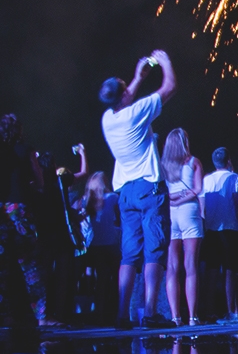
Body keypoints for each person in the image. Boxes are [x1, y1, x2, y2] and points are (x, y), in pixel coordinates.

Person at [99, 50, 176, 329]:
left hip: (126, 192)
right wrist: (164, 62)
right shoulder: (136, 113)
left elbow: (122, 98)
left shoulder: (108, 119)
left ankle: (123, 315)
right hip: (148, 187)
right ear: (124, 95)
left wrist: (137, 78)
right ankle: (151, 313)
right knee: (154, 250)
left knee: (129, 254)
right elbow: (169, 88)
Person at [0, 114, 54, 326]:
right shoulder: (26, 149)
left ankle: (5, 316)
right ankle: (41, 317)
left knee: (3, 266)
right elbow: (39, 180)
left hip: (2, 209)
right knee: (30, 265)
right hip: (20, 208)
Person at [161, 128, 204, 326]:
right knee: (191, 265)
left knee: (172, 267)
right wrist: (183, 197)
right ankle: (193, 317)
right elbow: (198, 189)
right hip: (189, 212)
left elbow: (163, 193)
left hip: (170, 214)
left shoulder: (163, 166)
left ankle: (175, 317)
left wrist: (174, 199)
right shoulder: (193, 161)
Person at [201, 147, 238, 322]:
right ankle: (231, 310)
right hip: (230, 227)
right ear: (229, 160)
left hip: (211, 229)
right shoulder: (234, 178)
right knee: (230, 271)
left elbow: (202, 207)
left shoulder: (206, 180)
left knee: (211, 270)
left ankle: (209, 310)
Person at [78, 171, 120, 325]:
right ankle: (115, 312)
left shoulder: (85, 200)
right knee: (114, 279)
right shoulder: (113, 198)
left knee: (99, 280)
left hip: (94, 245)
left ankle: (98, 312)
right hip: (111, 244)